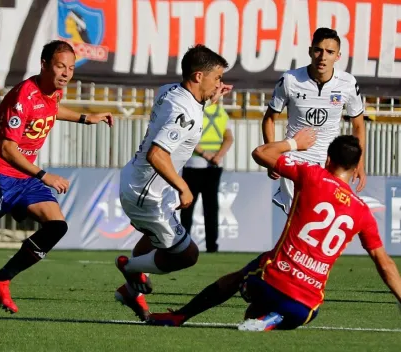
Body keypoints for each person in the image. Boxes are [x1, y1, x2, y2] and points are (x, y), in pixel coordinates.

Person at [148, 131, 401, 330]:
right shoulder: (362, 211)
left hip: (269, 283)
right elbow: (385, 263)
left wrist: (294, 143)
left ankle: (181, 315)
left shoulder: (312, 175)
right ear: (356, 168)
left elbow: (260, 153)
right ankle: (274, 319)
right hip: (305, 308)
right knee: (299, 309)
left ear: (327, 160)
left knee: (241, 279)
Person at [0, 40, 113, 314]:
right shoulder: (22, 96)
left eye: (71, 68)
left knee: (56, 226)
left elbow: (50, 111)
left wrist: (86, 118)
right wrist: (44, 175)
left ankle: (0, 280)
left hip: (23, 179)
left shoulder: (54, 92)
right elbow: (6, 149)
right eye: (60, 66)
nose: (66, 73)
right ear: (44, 65)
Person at [114, 44, 232, 321]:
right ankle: (130, 269)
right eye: (216, 78)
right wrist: (183, 185)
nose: (220, 84)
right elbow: (158, 153)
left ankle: (132, 291)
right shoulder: (187, 115)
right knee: (187, 255)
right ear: (198, 76)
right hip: (148, 194)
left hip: (139, 181)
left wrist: (210, 98)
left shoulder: (170, 89)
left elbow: (189, 103)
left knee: (155, 239)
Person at [263, 27, 367, 215]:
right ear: (310, 51)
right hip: (296, 160)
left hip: (330, 164)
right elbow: (269, 119)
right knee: (299, 220)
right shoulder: (290, 80)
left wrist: (359, 162)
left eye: (330, 52)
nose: (323, 57)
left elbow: (358, 126)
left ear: (338, 56)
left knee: (324, 220)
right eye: (318, 50)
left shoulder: (348, 83)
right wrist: (273, 158)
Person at [180, 103, 234, 253]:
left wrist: (205, 154)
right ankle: (212, 246)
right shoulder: (221, 112)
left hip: (194, 165)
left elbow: (188, 137)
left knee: (187, 207)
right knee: (211, 208)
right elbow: (229, 138)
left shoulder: (195, 111)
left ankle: (184, 245)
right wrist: (218, 156)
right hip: (214, 166)